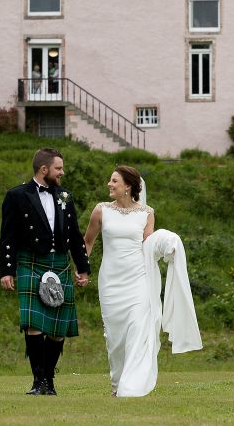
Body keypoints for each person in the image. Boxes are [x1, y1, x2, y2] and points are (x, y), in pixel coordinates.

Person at [83, 165, 201, 397]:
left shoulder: (147, 213)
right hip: (110, 282)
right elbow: (87, 242)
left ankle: (131, 386)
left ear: (128, 186)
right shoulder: (101, 210)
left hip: (138, 280)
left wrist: (167, 242)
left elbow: (149, 244)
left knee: (137, 328)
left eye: (114, 181)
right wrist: (82, 270)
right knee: (116, 338)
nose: (109, 184)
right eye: (110, 180)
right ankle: (117, 384)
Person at [0, 147, 90, 395]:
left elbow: (74, 235)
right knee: (34, 325)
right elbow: (7, 236)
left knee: (59, 330)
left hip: (59, 263)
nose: (62, 172)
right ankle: (38, 380)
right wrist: (7, 270)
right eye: (58, 168)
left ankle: (49, 380)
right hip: (30, 262)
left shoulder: (65, 196)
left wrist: (83, 268)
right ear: (44, 169)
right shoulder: (17, 195)